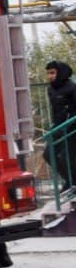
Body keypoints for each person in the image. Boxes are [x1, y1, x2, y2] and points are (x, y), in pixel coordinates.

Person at [46, 60, 76, 190]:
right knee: (48, 154)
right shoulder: (51, 89)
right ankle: (70, 180)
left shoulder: (72, 88)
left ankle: (72, 183)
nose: (50, 76)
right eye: (48, 73)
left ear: (61, 72)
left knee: (66, 157)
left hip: (71, 129)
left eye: (52, 72)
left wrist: (68, 125)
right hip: (57, 129)